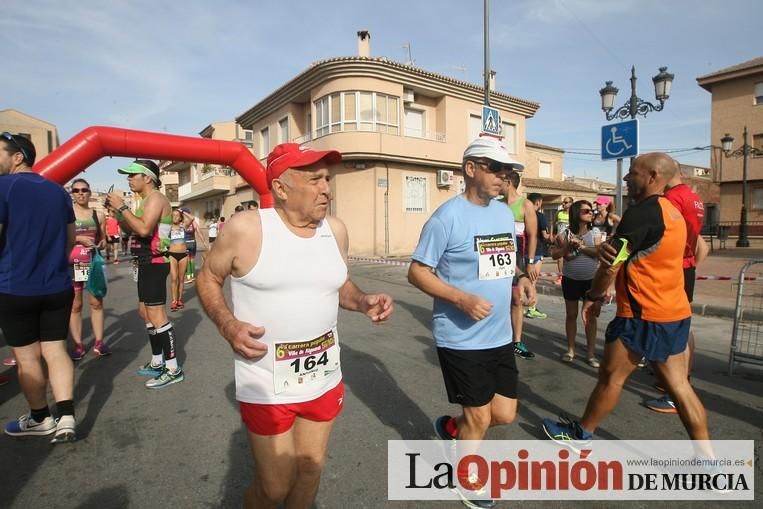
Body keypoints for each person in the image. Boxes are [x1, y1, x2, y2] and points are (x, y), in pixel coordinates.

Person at [196, 142, 393, 509]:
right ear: (282, 188)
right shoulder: (247, 229)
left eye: (327, 179)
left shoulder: (335, 230)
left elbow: (339, 284)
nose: (327, 189)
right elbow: (207, 277)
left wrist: (363, 300)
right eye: (315, 179)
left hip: (323, 376)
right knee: (273, 488)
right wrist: (227, 325)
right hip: (266, 382)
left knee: (308, 472)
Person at [542, 153, 711, 449]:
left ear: (653, 176)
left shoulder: (642, 212)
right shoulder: (673, 211)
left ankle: (581, 434)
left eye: (632, 173)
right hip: (673, 311)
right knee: (680, 386)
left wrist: (593, 298)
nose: (625, 179)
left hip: (640, 314)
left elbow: (611, 265)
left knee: (610, 378)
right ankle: (707, 456)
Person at [408, 137, 534, 509]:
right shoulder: (446, 217)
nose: (504, 177)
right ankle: (466, 477)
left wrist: (521, 278)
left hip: (499, 334)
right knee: (478, 416)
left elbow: (504, 257)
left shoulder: (501, 213)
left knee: (505, 415)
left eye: (507, 171)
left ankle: (453, 429)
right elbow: (417, 272)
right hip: (461, 339)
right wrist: (460, 298)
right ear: (471, 169)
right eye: (496, 168)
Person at [0, 132, 78, 443]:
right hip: (57, 285)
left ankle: (41, 418)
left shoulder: (4, 186)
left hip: (15, 286)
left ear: (17, 156)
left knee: (28, 357)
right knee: (56, 350)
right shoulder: (59, 192)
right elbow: (70, 239)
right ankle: (68, 416)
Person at [106, 160, 184, 389]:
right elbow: (131, 228)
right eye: (127, 176)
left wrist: (122, 207)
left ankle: (173, 369)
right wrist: (118, 213)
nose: (128, 179)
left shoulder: (157, 198)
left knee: (157, 315)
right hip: (143, 261)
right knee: (145, 313)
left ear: (147, 178)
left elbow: (143, 229)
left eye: (133, 175)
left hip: (155, 261)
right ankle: (158, 361)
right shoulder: (144, 201)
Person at [644, 161, 709, 413]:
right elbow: (703, 245)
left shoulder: (670, 199)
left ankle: (676, 391)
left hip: (672, 267)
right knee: (683, 325)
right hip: (686, 266)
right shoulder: (694, 198)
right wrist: (691, 264)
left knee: (670, 328)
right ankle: (679, 382)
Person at [551, 200, 600, 367]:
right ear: (576, 214)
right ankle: (571, 350)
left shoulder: (595, 233)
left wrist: (582, 246)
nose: (591, 213)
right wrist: (567, 248)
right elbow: (555, 255)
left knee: (590, 317)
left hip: (591, 280)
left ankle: (591, 353)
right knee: (571, 315)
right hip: (571, 279)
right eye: (586, 211)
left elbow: (599, 253)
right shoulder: (565, 234)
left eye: (591, 210)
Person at [68, 178, 110, 360]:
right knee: (76, 305)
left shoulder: (98, 215)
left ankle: (99, 342)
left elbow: (103, 239)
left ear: (89, 192)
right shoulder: (67, 214)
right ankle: (78, 344)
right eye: (76, 190)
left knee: (96, 302)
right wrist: (78, 239)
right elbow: (59, 238)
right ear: (72, 194)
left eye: (84, 190)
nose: (80, 193)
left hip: (92, 263)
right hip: (74, 264)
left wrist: (102, 243)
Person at [500, 170, 538, 359]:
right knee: (498, 297)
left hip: (519, 256)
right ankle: (500, 339)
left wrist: (530, 263)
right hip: (497, 253)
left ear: (508, 182)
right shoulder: (496, 204)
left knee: (516, 299)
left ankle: (516, 342)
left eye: (500, 180)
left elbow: (532, 235)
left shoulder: (525, 204)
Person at [525, 193, 549, 319]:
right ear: (538, 203)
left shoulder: (522, 215)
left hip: (523, 250)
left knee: (521, 281)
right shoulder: (540, 216)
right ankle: (532, 308)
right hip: (537, 251)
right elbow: (545, 235)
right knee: (533, 282)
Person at [168, 209, 189, 311]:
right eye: (173, 215)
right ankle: (173, 301)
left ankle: (179, 300)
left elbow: (192, 218)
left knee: (181, 279)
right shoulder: (169, 227)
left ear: (180, 217)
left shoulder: (183, 226)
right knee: (174, 278)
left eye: (177, 215)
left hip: (183, 255)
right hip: (172, 254)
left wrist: (182, 211)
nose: (175, 217)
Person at [181, 208, 205, 284]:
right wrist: (204, 242)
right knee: (192, 259)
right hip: (193, 242)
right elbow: (199, 232)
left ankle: (189, 277)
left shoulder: (182, 222)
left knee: (187, 260)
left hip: (186, 243)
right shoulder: (194, 223)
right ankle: (192, 275)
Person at [554, 197, 573, 285]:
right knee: (559, 257)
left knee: (569, 257)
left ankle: (570, 276)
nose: (564, 204)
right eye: (563, 202)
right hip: (559, 237)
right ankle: (560, 276)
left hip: (570, 238)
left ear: (571, 203)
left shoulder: (573, 214)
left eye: (566, 202)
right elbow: (553, 224)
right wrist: (552, 235)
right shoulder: (559, 212)